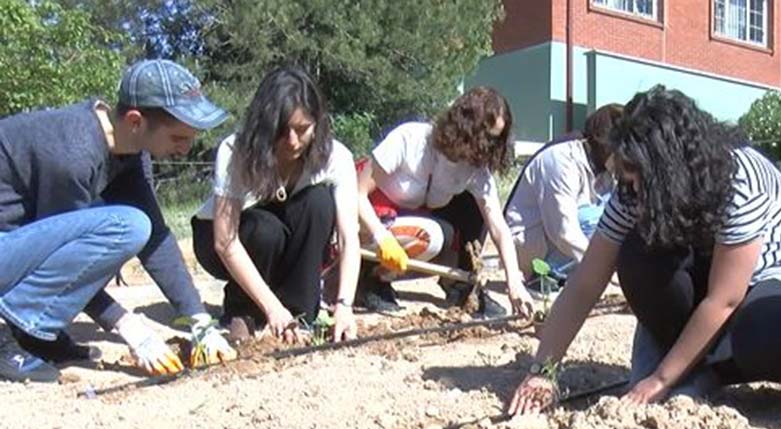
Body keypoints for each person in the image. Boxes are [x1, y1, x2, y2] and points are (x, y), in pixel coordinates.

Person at [509, 86, 781, 415]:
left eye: (639, 179)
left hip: (774, 274)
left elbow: (724, 298)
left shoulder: (740, 181)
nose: (632, 188)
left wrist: (661, 379)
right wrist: (543, 370)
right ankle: (702, 364)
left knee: (762, 332)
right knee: (636, 257)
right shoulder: (633, 189)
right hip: (709, 273)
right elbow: (586, 281)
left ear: (668, 172)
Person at [0, 59, 235, 383]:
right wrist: (128, 325)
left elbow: (156, 239)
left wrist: (199, 321)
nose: (185, 149)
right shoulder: (73, 152)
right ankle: (17, 330)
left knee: (135, 225)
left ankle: (34, 334)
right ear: (136, 121)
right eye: (178, 138)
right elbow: (64, 261)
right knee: (126, 227)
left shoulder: (127, 150)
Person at [192, 67, 360, 344]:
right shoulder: (235, 152)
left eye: (302, 130)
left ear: (317, 123)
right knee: (265, 229)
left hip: (287, 238)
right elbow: (225, 241)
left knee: (319, 203)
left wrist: (344, 305)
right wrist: (272, 308)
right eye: (281, 131)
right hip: (222, 239)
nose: (292, 142)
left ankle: (299, 313)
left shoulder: (336, 157)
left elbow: (348, 236)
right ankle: (244, 310)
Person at [356, 87, 533, 317]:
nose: (489, 147)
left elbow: (498, 226)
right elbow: (356, 194)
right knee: (430, 237)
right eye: (486, 137)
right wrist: (381, 237)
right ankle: (369, 279)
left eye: (495, 140)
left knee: (471, 207)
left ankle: (461, 284)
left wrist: (514, 282)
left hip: (412, 221)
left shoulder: (475, 170)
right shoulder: (410, 139)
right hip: (367, 221)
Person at [504, 104, 624, 288]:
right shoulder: (561, 161)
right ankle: (544, 278)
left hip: (559, 246)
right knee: (598, 220)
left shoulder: (605, 172)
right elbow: (564, 232)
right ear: (605, 144)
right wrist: (604, 270)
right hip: (533, 251)